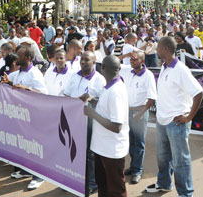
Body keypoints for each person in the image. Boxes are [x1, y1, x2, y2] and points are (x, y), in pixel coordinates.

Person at [145, 37, 203, 197]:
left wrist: (189, 116)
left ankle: (186, 193)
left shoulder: (180, 69)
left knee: (180, 161)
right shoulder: (165, 67)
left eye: (157, 48)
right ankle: (164, 184)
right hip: (162, 121)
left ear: (164, 49)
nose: (156, 51)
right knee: (163, 157)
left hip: (176, 123)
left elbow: (199, 93)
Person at [83, 55, 129, 197]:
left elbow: (117, 127)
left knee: (116, 189)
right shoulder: (109, 87)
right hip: (102, 147)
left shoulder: (116, 91)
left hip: (112, 150)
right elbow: (106, 109)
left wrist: (93, 114)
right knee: (103, 185)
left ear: (102, 68)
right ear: (118, 69)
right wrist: (94, 101)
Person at [3, 46, 48, 190]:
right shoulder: (19, 72)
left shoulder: (35, 74)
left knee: (34, 146)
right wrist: (9, 83)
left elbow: (43, 93)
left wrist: (27, 89)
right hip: (20, 115)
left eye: (20, 55)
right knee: (24, 145)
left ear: (28, 58)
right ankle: (26, 171)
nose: (16, 57)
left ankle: (39, 176)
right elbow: (17, 86)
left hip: (33, 116)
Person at [64, 51, 106, 194]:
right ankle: (75, 179)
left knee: (90, 153)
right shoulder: (74, 76)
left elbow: (105, 102)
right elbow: (66, 95)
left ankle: (92, 182)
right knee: (73, 149)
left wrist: (91, 99)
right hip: (74, 119)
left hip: (90, 121)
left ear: (94, 62)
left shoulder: (100, 80)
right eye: (82, 60)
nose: (83, 62)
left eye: (87, 60)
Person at [119, 51, 157, 184]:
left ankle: (137, 170)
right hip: (126, 112)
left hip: (139, 113)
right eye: (131, 59)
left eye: (135, 59)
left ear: (142, 61)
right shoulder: (127, 71)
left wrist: (140, 114)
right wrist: (125, 56)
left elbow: (151, 98)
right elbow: (113, 61)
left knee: (139, 143)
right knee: (130, 141)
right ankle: (133, 166)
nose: (132, 61)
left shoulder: (148, 75)